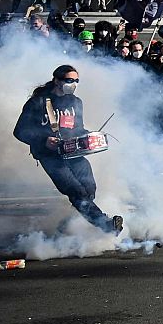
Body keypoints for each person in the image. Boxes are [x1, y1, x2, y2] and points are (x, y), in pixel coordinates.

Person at [13, 65, 123, 234]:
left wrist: (90, 136)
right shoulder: (39, 102)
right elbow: (20, 131)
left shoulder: (76, 102)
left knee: (89, 188)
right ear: (57, 80)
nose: (74, 84)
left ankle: (72, 223)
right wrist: (44, 140)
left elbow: (77, 128)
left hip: (74, 153)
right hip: (50, 157)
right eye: (69, 80)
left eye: (76, 81)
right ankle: (105, 225)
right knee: (75, 190)